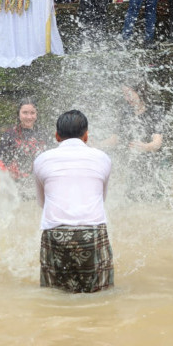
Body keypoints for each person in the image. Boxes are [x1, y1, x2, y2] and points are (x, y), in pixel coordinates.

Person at [33, 110, 113, 293]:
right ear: (86, 136)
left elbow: (42, 202)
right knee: (100, 294)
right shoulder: (102, 158)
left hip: (55, 232)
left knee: (55, 294)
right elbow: (102, 198)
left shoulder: (41, 160)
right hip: (92, 230)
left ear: (57, 136)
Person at [0, 97, 47, 181]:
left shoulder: (43, 134)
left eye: (32, 113)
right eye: (25, 113)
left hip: (36, 181)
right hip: (14, 182)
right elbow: (0, 160)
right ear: (18, 113)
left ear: (37, 114)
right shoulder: (9, 134)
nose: (29, 117)